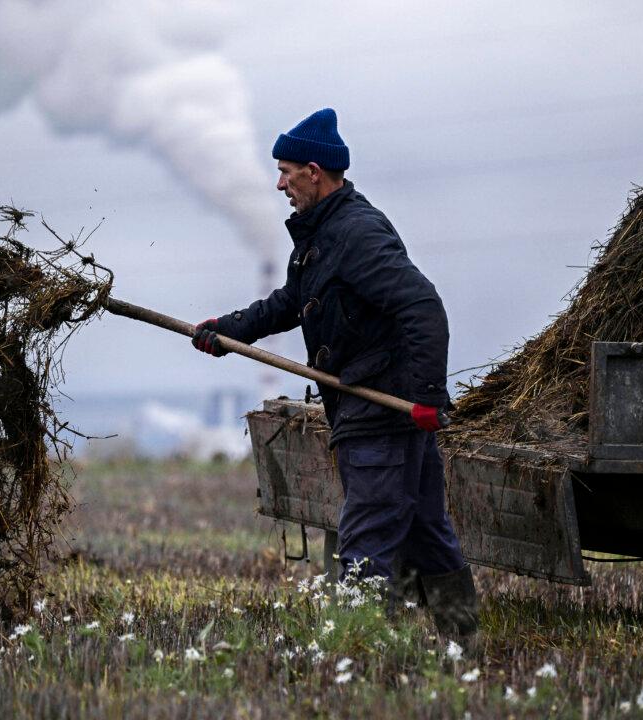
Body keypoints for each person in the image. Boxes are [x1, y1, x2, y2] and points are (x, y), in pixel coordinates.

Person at [191, 108, 478, 642]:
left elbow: (423, 307)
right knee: (426, 533)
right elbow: (293, 302)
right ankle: (463, 643)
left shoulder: (356, 233)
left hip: (381, 414)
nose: (279, 183)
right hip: (383, 413)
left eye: (286, 171)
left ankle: (359, 653)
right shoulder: (323, 233)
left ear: (315, 170)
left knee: (366, 541)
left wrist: (427, 397)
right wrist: (228, 331)